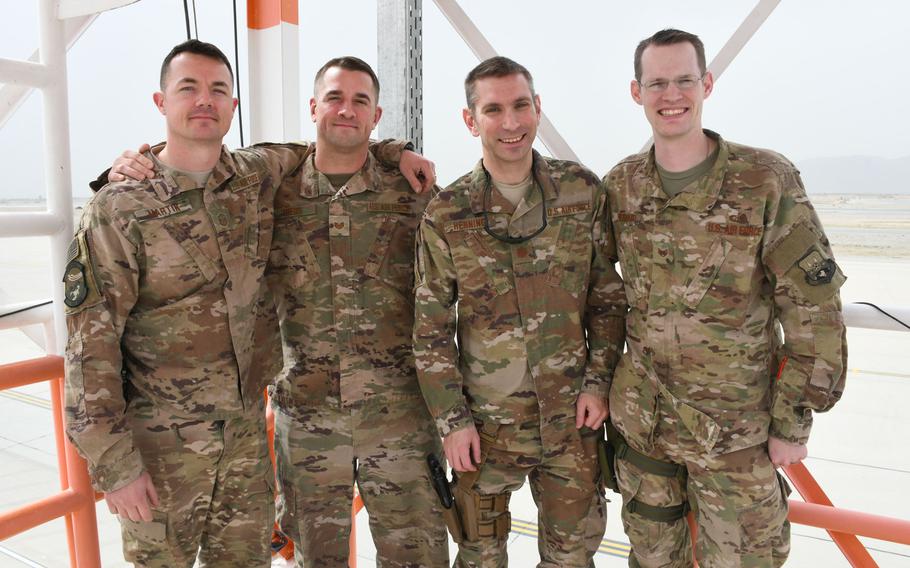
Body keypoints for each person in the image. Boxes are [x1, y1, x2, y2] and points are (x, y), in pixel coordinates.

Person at [64, 40, 428, 567]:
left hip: (243, 439)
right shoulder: (120, 207)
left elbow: (333, 144)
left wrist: (397, 152)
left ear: (234, 106)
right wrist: (115, 466)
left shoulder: (252, 177)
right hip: (163, 443)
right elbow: (88, 348)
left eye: (218, 90)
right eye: (188, 88)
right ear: (160, 102)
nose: (204, 101)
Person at [602, 29, 848, 567]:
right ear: (636, 92)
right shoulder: (621, 186)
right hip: (646, 433)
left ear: (706, 84)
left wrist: (792, 422)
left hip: (735, 436)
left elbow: (813, 311)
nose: (672, 95)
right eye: (658, 83)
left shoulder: (764, 179)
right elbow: (597, 293)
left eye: (684, 80)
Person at [413, 56, 627, 567]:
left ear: (538, 109)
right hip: (486, 431)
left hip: (571, 424)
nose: (510, 123)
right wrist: (452, 420)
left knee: (571, 559)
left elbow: (607, 299)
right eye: (493, 109)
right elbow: (431, 328)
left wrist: (598, 383)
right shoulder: (448, 212)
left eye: (520, 106)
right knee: (479, 558)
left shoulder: (581, 192)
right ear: (471, 121)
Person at [265, 56, 448, 567]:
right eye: (335, 98)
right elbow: (207, 166)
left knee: (419, 556)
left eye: (360, 101)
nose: (346, 110)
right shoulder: (274, 194)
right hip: (308, 420)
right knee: (314, 559)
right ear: (313, 107)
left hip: (401, 418)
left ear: (376, 114)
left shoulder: (413, 192)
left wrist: (398, 152)